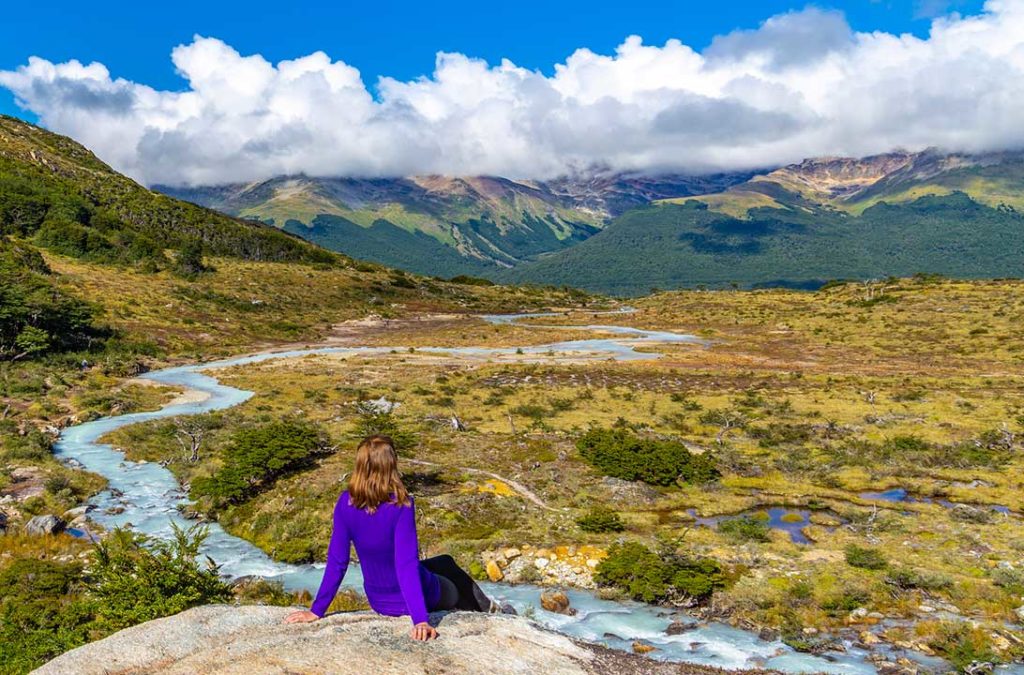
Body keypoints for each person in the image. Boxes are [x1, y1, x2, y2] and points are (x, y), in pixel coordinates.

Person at [283, 434, 491, 640]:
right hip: (417, 598)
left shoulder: (345, 503)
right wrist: (420, 619)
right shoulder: (401, 505)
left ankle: (489, 608)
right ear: (391, 465)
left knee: (444, 561)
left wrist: (316, 610)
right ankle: (488, 615)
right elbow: (406, 564)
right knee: (453, 585)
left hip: (378, 601)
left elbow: (338, 562)